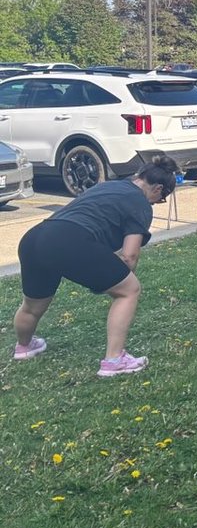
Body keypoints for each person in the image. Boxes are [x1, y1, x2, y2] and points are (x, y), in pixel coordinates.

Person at [12, 154, 179, 377]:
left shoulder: (110, 186)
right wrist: (109, 281)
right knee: (129, 290)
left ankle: (24, 347)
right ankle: (114, 360)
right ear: (158, 189)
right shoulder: (140, 203)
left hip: (35, 238)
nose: (155, 203)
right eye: (160, 199)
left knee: (32, 305)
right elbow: (129, 256)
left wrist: (101, 273)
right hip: (69, 240)